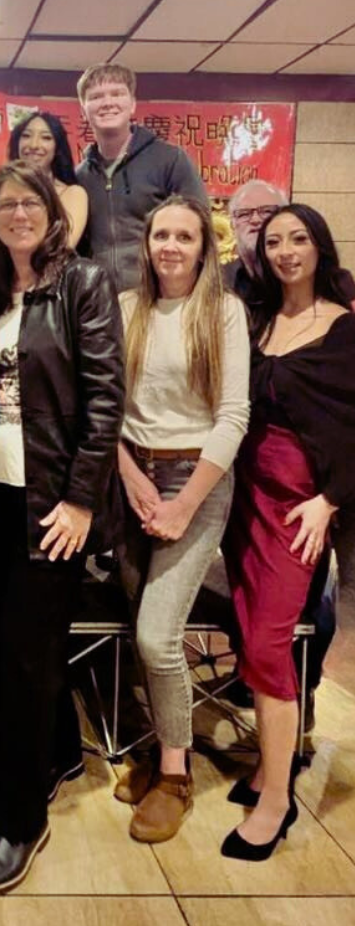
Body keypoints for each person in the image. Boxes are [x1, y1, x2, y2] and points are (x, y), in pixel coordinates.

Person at [0, 162, 124, 894]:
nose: (18, 213)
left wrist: (82, 501)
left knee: (26, 661)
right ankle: (57, 753)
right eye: (5, 204)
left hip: (51, 504)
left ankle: (22, 819)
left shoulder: (83, 283)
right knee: (15, 647)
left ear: (52, 211)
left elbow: (105, 396)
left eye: (30, 201)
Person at [221, 204, 355, 862]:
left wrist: (330, 500)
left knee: (270, 643)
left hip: (299, 509)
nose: (285, 251)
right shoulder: (261, 320)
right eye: (274, 241)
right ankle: (267, 766)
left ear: (319, 246)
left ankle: (277, 798)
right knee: (248, 632)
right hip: (242, 497)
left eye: (298, 238)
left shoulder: (345, 327)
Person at [115, 197, 250, 843]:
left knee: (157, 636)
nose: (170, 246)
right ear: (146, 245)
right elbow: (106, 405)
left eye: (184, 236)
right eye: (160, 235)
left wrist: (184, 502)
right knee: (137, 622)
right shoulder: (127, 308)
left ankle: (175, 775)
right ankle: (160, 744)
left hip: (196, 480)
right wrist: (129, 476)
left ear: (204, 248)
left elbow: (233, 416)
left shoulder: (223, 312)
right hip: (132, 479)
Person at [75, 63, 210, 292]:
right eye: (96, 97)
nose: (107, 103)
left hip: (161, 295)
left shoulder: (170, 160)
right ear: (83, 109)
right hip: (101, 300)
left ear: (133, 104)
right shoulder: (79, 178)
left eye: (117, 94)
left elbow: (201, 229)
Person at [8, 109, 88, 248]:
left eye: (46, 138)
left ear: (57, 148)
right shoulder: (3, 192)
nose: (34, 145)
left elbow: (63, 247)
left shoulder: (72, 194)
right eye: (26, 136)